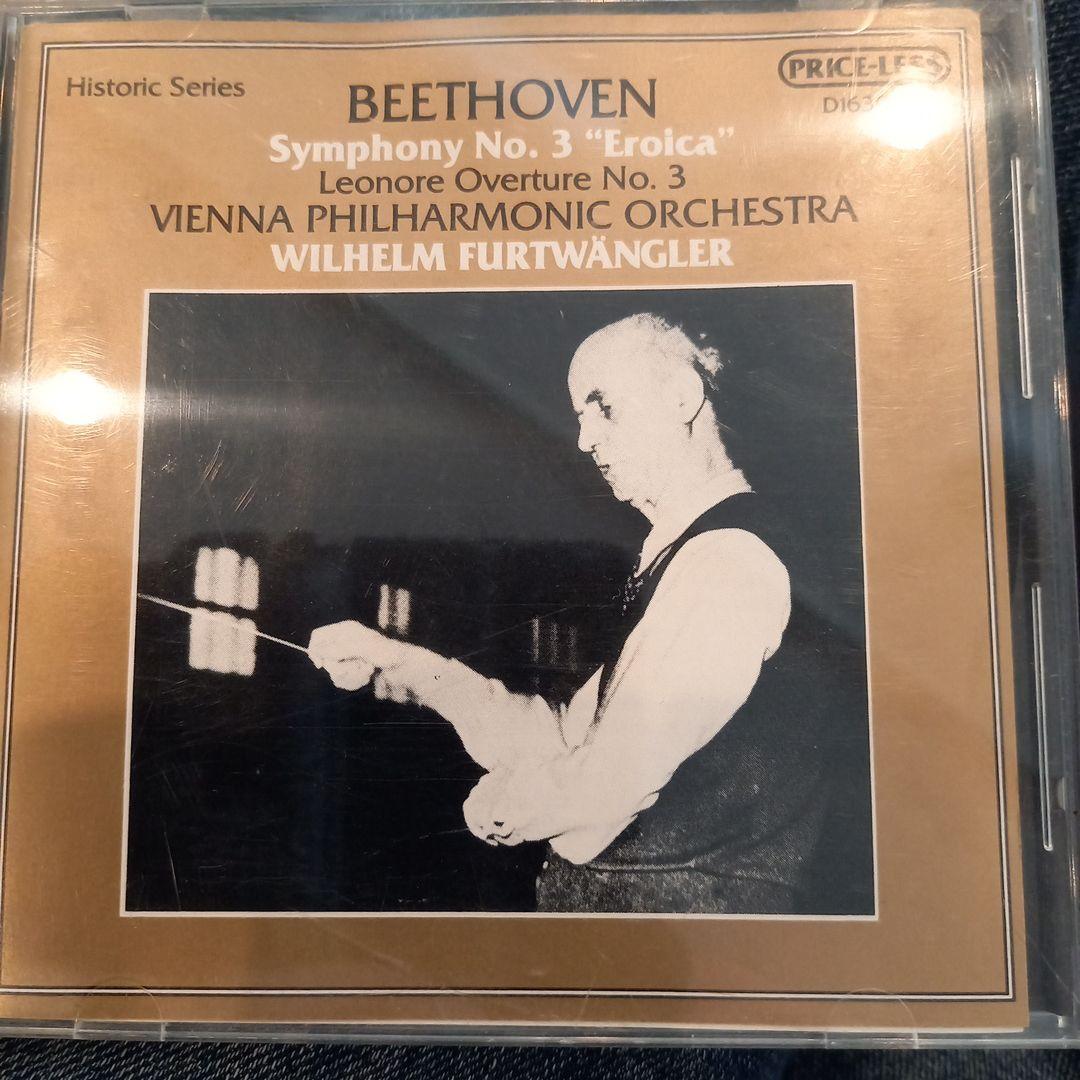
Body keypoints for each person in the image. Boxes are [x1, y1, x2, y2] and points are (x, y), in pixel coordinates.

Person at [307, 312, 834, 914]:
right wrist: (400, 663)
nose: (584, 440)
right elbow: (559, 739)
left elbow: (616, 775)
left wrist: (508, 804)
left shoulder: (726, 561)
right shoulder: (685, 556)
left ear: (682, 396)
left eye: (602, 407)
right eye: (580, 416)